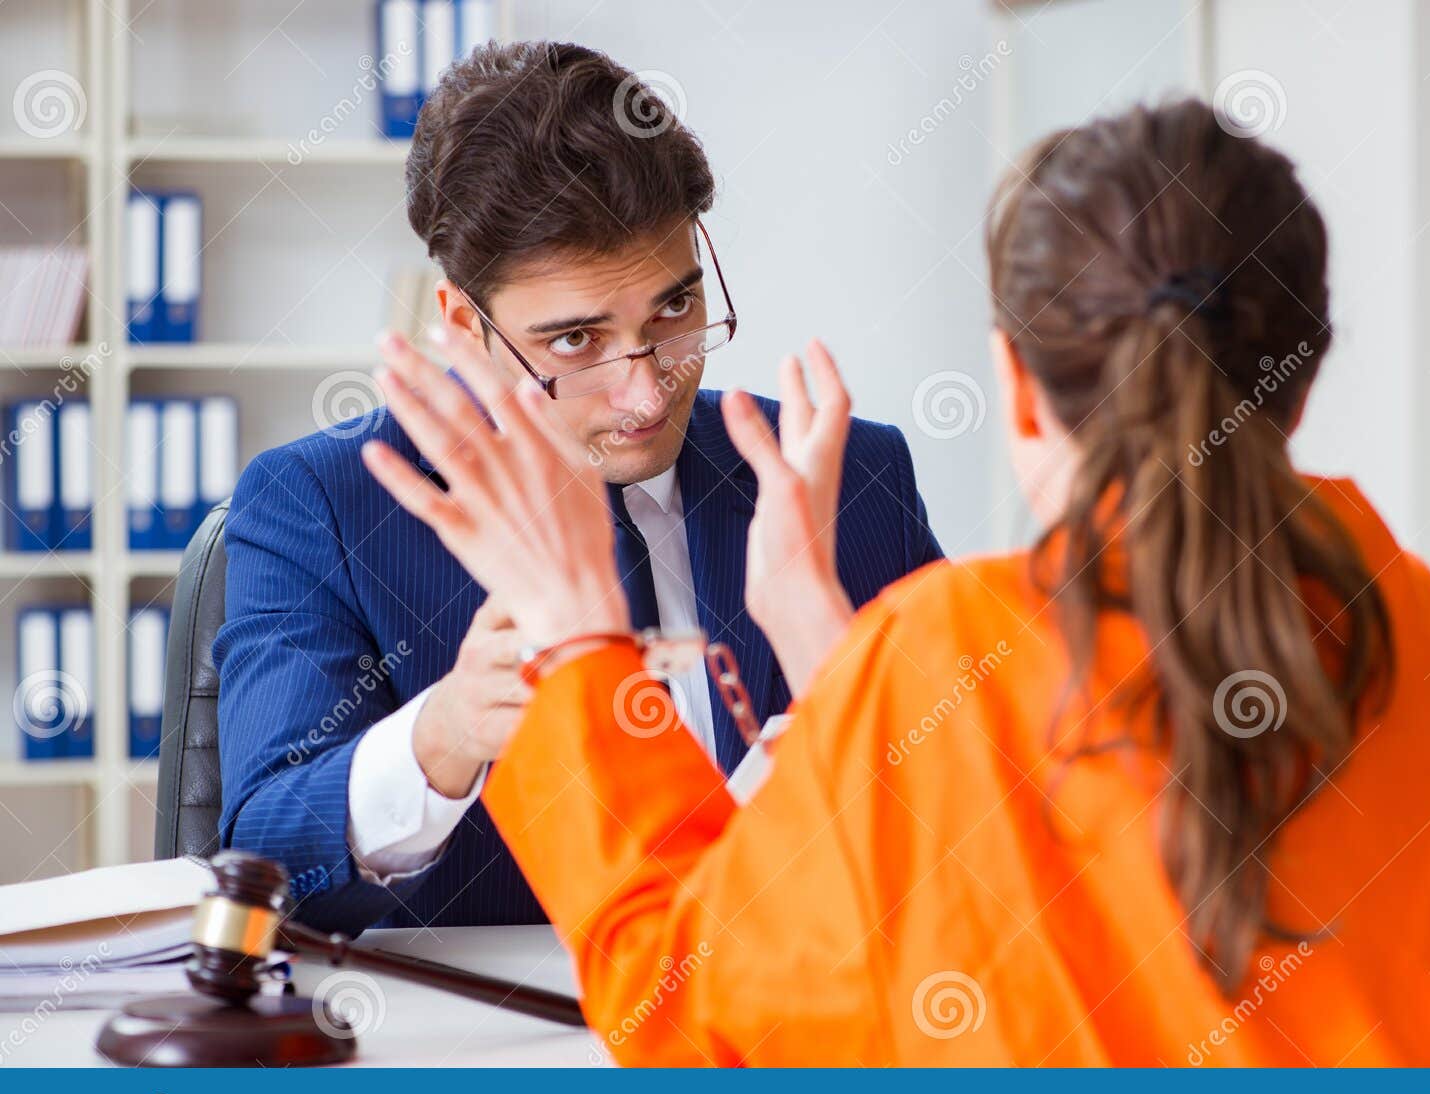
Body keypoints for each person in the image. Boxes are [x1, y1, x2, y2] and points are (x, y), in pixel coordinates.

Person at [365, 99, 1430, 1065]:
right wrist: (841, 667)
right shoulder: (1407, 612)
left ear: (1014, 379)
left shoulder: (952, 649)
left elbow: (687, 1018)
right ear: (1299, 378)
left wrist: (583, 644)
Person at [212, 41, 942, 935]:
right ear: (460, 324)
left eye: (673, 309)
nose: (645, 394)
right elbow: (260, 861)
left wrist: (856, 707)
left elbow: (984, 822)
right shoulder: (320, 504)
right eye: (574, 343)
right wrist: (442, 736)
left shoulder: (847, 476)